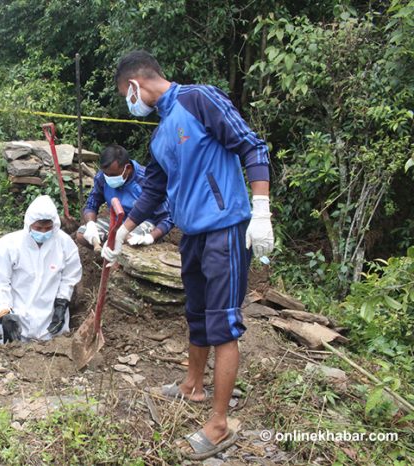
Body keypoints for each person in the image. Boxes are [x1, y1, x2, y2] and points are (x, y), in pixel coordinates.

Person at [104, 50, 274, 461]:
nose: (130, 104)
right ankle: (192, 386)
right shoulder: (161, 134)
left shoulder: (200, 99)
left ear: (134, 86)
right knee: (196, 315)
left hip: (225, 229)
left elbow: (252, 147)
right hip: (192, 235)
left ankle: (219, 424)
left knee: (223, 323)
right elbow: (154, 191)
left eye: (126, 96)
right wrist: (123, 234)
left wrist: (261, 210)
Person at [0, 195, 82, 342]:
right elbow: (0, 282)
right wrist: (4, 312)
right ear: (29, 224)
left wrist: (62, 304)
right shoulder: (8, 246)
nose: (43, 232)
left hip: (51, 321)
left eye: (48, 228)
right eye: (38, 228)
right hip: (19, 319)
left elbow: (69, 277)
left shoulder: (64, 244)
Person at [77, 144, 173, 248]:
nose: (109, 178)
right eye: (106, 174)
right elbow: (92, 203)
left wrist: (152, 237)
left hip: (145, 222)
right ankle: (109, 256)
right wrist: (91, 225)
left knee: (127, 239)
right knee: (83, 234)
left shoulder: (147, 180)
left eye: (113, 175)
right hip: (118, 220)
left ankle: (119, 257)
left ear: (128, 168)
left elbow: (168, 216)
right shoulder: (102, 177)